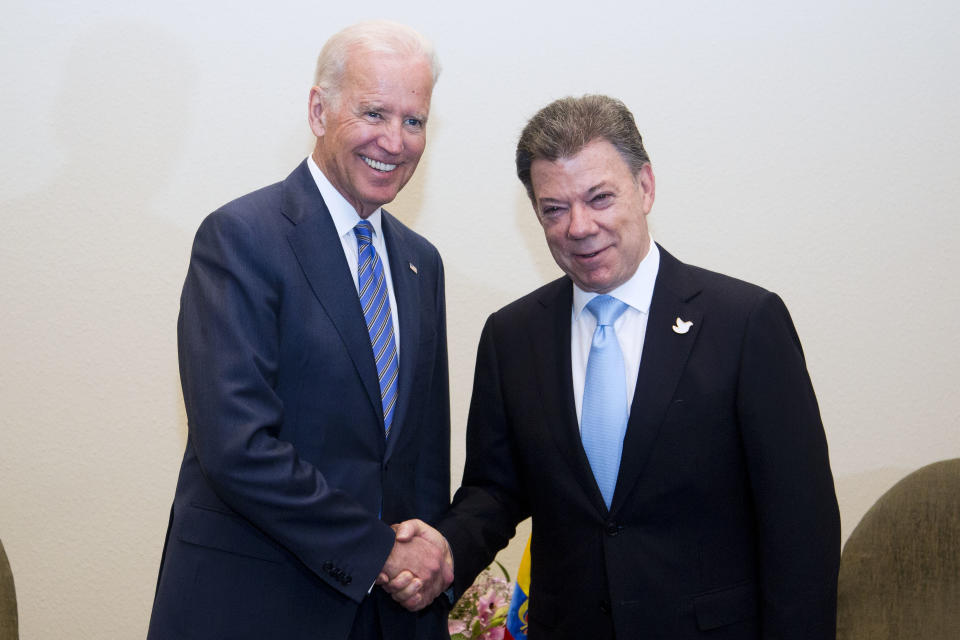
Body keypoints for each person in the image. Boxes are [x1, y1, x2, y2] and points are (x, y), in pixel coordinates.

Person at [389, 94, 840, 638]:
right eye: (554, 208)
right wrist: (444, 550)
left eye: (600, 198)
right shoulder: (512, 337)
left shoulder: (744, 323)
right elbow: (495, 488)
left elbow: (801, 530)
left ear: (645, 187)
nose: (579, 227)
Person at [147, 21, 453, 640]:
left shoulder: (421, 263)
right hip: (253, 606)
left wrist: (424, 571)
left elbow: (418, 462)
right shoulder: (242, 238)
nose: (394, 141)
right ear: (319, 110)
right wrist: (377, 551)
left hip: (384, 617)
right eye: (374, 113)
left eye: (414, 121)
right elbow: (237, 446)